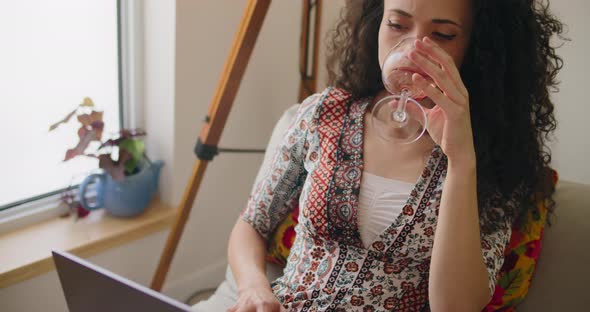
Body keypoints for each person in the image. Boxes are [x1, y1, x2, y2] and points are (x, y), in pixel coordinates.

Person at [226, 0, 563, 311]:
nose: (414, 49)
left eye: (443, 35)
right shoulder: (324, 114)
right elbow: (252, 223)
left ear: (477, 46)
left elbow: (457, 307)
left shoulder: (494, 158)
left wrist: (461, 162)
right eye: (397, 25)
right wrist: (253, 287)